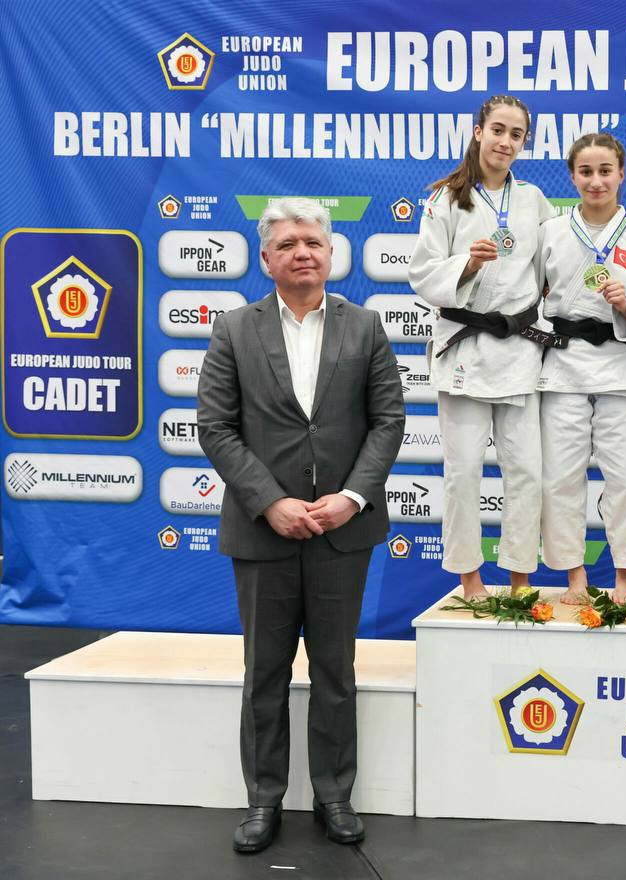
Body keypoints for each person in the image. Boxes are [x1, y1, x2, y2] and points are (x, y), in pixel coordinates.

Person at [197, 198, 405, 854]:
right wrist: (270, 502)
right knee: (265, 671)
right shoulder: (234, 329)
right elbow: (215, 427)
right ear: (267, 258)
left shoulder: (365, 326)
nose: (302, 252)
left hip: (343, 530)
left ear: (331, 251)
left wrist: (352, 498)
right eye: (287, 244)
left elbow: (389, 422)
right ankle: (263, 799)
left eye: (313, 241)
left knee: (335, 669)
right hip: (264, 532)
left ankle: (334, 795)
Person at [407, 95, 555, 598]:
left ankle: (519, 577)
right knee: (464, 472)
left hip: (518, 349)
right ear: (478, 132)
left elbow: (548, 268)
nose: (505, 142)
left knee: (526, 471)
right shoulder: (447, 199)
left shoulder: (533, 200)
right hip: (466, 349)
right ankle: (469, 579)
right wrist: (467, 265)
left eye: (516, 134)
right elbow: (423, 274)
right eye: (498, 130)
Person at [538, 132, 626, 604]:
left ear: (621, 174)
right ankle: (575, 578)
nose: (596, 181)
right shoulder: (551, 231)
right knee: (560, 478)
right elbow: (530, 296)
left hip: (618, 367)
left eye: (605, 171)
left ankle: (625, 579)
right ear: (572, 176)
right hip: (563, 367)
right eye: (586, 172)